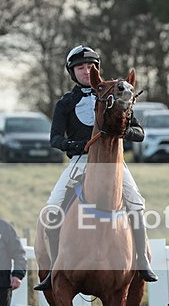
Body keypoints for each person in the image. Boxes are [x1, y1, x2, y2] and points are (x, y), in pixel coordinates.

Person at [33, 44, 157, 291]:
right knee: (53, 207)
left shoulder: (115, 94)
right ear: (72, 72)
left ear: (97, 69)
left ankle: (142, 259)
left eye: (90, 66)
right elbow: (55, 139)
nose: (86, 70)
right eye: (81, 67)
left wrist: (122, 131)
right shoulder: (66, 103)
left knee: (136, 201)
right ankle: (55, 266)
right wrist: (78, 145)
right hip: (80, 161)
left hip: (113, 163)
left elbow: (140, 133)